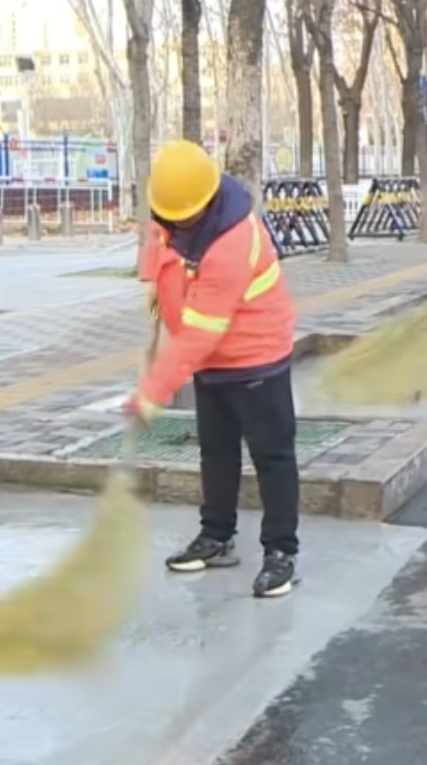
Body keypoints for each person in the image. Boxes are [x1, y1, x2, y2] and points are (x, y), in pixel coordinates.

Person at [125, 140, 301, 599]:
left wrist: (155, 390)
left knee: (272, 457)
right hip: (209, 361)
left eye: (183, 217)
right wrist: (153, 279)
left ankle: (280, 552)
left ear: (206, 201)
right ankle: (217, 537)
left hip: (257, 356)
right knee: (216, 452)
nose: (175, 223)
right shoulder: (172, 214)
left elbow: (200, 334)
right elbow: (160, 248)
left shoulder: (233, 241)